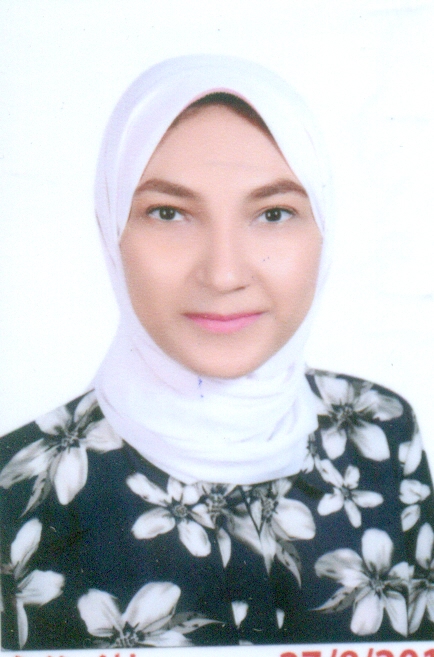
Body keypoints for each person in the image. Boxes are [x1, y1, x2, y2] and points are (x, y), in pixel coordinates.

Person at [0, 55, 432, 650]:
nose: (224, 274)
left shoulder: (382, 435)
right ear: (111, 228)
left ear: (324, 228)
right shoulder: (18, 490)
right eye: (168, 213)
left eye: (274, 213)